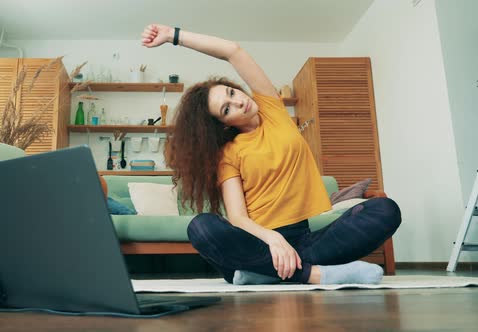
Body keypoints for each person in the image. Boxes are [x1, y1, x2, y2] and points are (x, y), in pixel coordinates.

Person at [141, 24, 401, 285]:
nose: (239, 101)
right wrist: (273, 239)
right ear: (223, 124)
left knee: (385, 210)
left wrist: (173, 36)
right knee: (200, 227)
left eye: (232, 93)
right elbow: (237, 218)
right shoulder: (228, 154)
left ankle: (263, 273)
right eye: (227, 109)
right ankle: (314, 274)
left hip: (304, 240)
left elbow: (232, 51)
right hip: (259, 241)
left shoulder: (272, 109)